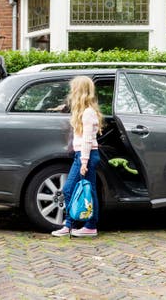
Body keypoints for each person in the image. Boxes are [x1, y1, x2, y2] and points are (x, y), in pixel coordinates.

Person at [52, 76, 103, 237]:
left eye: (73, 89)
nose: (71, 92)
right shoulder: (83, 111)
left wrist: (84, 161)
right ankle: (85, 226)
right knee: (90, 190)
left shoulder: (88, 113)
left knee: (70, 190)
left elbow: (87, 139)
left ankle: (76, 225)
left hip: (86, 155)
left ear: (79, 91)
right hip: (84, 155)